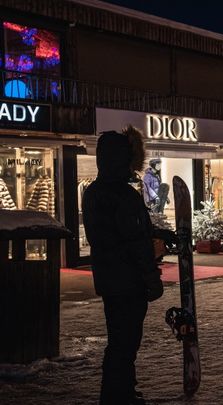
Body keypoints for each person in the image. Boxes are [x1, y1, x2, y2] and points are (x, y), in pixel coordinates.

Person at [82, 128, 164, 405]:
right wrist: (152, 279)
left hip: (109, 278)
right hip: (128, 280)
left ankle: (120, 391)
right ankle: (119, 396)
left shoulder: (94, 192)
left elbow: (112, 235)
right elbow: (135, 243)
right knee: (125, 342)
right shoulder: (123, 195)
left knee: (118, 339)